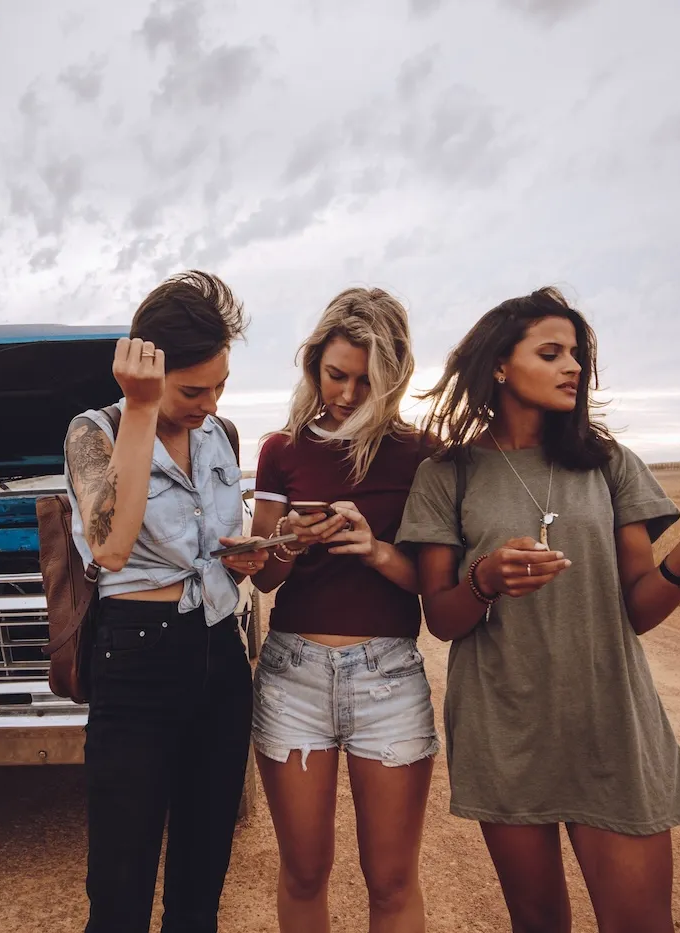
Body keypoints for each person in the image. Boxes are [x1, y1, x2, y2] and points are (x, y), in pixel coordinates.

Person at [396, 286, 680, 933]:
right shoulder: (447, 474)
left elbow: (640, 607)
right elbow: (441, 617)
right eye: (551, 352)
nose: (573, 366)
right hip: (505, 725)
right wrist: (486, 578)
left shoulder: (608, 463)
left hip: (610, 721)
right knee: (540, 923)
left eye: (577, 353)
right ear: (498, 365)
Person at [63, 270, 267, 933]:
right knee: (120, 890)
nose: (208, 402)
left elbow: (218, 552)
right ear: (148, 372)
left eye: (220, 386)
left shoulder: (220, 435)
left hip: (220, 655)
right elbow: (110, 549)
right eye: (192, 389)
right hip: (137, 659)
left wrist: (251, 556)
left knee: (201, 883)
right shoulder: (93, 432)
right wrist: (145, 409)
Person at [247, 288, 436, 933]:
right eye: (336, 375)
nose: (349, 395)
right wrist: (289, 545)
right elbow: (266, 580)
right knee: (303, 872)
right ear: (312, 365)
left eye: (367, 381)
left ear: (394, 379)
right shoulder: (282, 449)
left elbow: (431, 588)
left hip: (389, 677)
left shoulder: (421, 454)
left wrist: (375, 549)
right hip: (292, 677)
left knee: (389, 881)